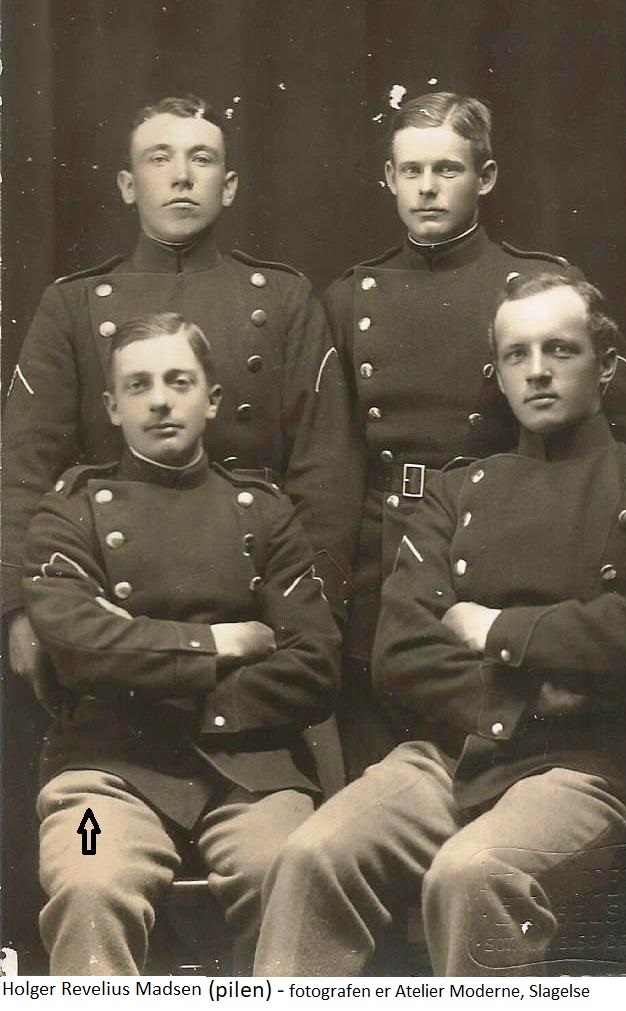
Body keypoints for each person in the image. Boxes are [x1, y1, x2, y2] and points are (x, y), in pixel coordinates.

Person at [253, 273, 626, 976]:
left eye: (560, 350)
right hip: (449, 757)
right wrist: (534, 691)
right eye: (517, 354)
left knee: (474, 871)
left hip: (586, 768)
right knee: (311, 854)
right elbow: (403, 651)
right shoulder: (456, 492)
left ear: (605, 366)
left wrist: (495, 630)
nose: (537, 370)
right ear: (500, 374)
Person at [323, 91, 626, 776]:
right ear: (389, 178)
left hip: (501, 552)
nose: (428, 188)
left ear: (484, 178)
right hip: (386, 566)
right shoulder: (348, 298)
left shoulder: (537, 290)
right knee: (386, 783)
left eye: (448, 169)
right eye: (412, 170)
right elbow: (330, 467)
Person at [21, 312, 341, 975]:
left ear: (212, 398)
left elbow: (315, 666)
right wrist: (222, 642)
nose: (160, 401)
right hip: (106, 776)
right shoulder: (70, 511)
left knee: (293, 873)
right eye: (138, 385)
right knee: (88, 879)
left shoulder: (266, 512)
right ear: (112, 406)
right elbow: (80, 648)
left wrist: (142, 663)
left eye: (179, 381)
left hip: (253, 774)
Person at [4, 93, 363, 681]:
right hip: (110, 595)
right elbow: (23, 466)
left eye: (201, 158)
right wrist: (17, 611)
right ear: (127, 185)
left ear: (229, 186)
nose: (180, 177)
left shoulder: (283, 299)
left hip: (257, 589)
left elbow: (327, 472)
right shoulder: (72, 304)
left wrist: (308, 614)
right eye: (158, 158)